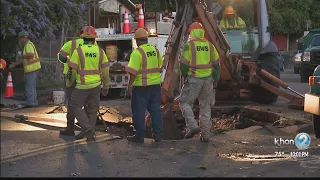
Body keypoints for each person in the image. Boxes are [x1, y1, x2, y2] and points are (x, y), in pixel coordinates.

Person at [179, 22, 220, 142]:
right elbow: (217, 65)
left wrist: (185, 75)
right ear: (202, 32)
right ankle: (206, 135)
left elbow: (183, 65)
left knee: (184, 102)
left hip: (194, 79)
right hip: (208, 80)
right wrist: (215, 79)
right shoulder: (210, 45)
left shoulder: (189, 46)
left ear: (192, 32)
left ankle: (192, 126)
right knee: (205, 107)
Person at [68, 26, 110, 141]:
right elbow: (106, 71)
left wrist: (70, 83)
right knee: (92, 109)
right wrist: (106, 86)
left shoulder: (78, 52)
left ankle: (87, 128)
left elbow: (72, 71)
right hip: (96, 85)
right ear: (94, 38)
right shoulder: (100, 52)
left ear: (83, 39)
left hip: (82, 85)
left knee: (75, 105)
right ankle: (91, 136)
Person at [57, 27, 98, 138]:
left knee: (73, 104)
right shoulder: (95, 45)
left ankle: (70, 129)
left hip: (72, 77)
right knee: (88, 106)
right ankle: (88, 130)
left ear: (79, 34)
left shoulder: (71, 43)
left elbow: (61, 56)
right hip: (89, 79)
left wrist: (69, 61)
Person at [125, 28, 163, 143]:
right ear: (146, 39)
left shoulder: (137, 53)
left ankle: (139, 136)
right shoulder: (155, 51)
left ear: (136, 41)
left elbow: (133, 72)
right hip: (156, 86)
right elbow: (159, 68)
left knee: (139, 112)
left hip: (141, 88)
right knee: (156, 111)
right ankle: (158, 135)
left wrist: (129, 86)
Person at [9, 31, 41, 108]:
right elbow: (25, 59)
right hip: (33, 69)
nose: (19, 41)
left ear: (24, 38)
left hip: (31, 69)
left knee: (29, 87)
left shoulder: (28, 45)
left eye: (20, 39)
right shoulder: (28, 44)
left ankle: (30, 103)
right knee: (32, 87)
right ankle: (33, 102)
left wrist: (21, 56)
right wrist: (15, 64)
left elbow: (30, 55)